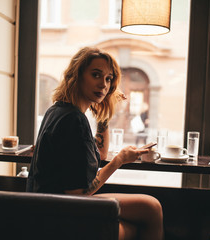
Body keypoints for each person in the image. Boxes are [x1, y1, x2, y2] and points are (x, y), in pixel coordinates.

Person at [27, 47, 164, 240]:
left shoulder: (58, 110)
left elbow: (100, 155)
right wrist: (120, 161)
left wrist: (103, 112)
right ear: (77, 76)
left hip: (46, 209)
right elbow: (80, 194)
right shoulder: (74, 120)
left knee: (149, 207)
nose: (104, 84)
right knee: (151, 210)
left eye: (108, 79)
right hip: (62, 217)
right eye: (96, 75)